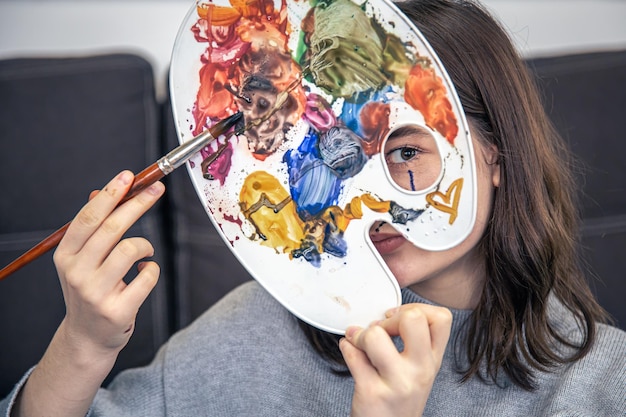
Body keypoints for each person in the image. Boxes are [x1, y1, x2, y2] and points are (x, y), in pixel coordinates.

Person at [2, 0, 625, 416]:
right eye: (330, 159)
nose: (356, 204)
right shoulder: (256, 334)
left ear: (495, 152)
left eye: (404, 151)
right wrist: (83, 343)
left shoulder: (600, 384)